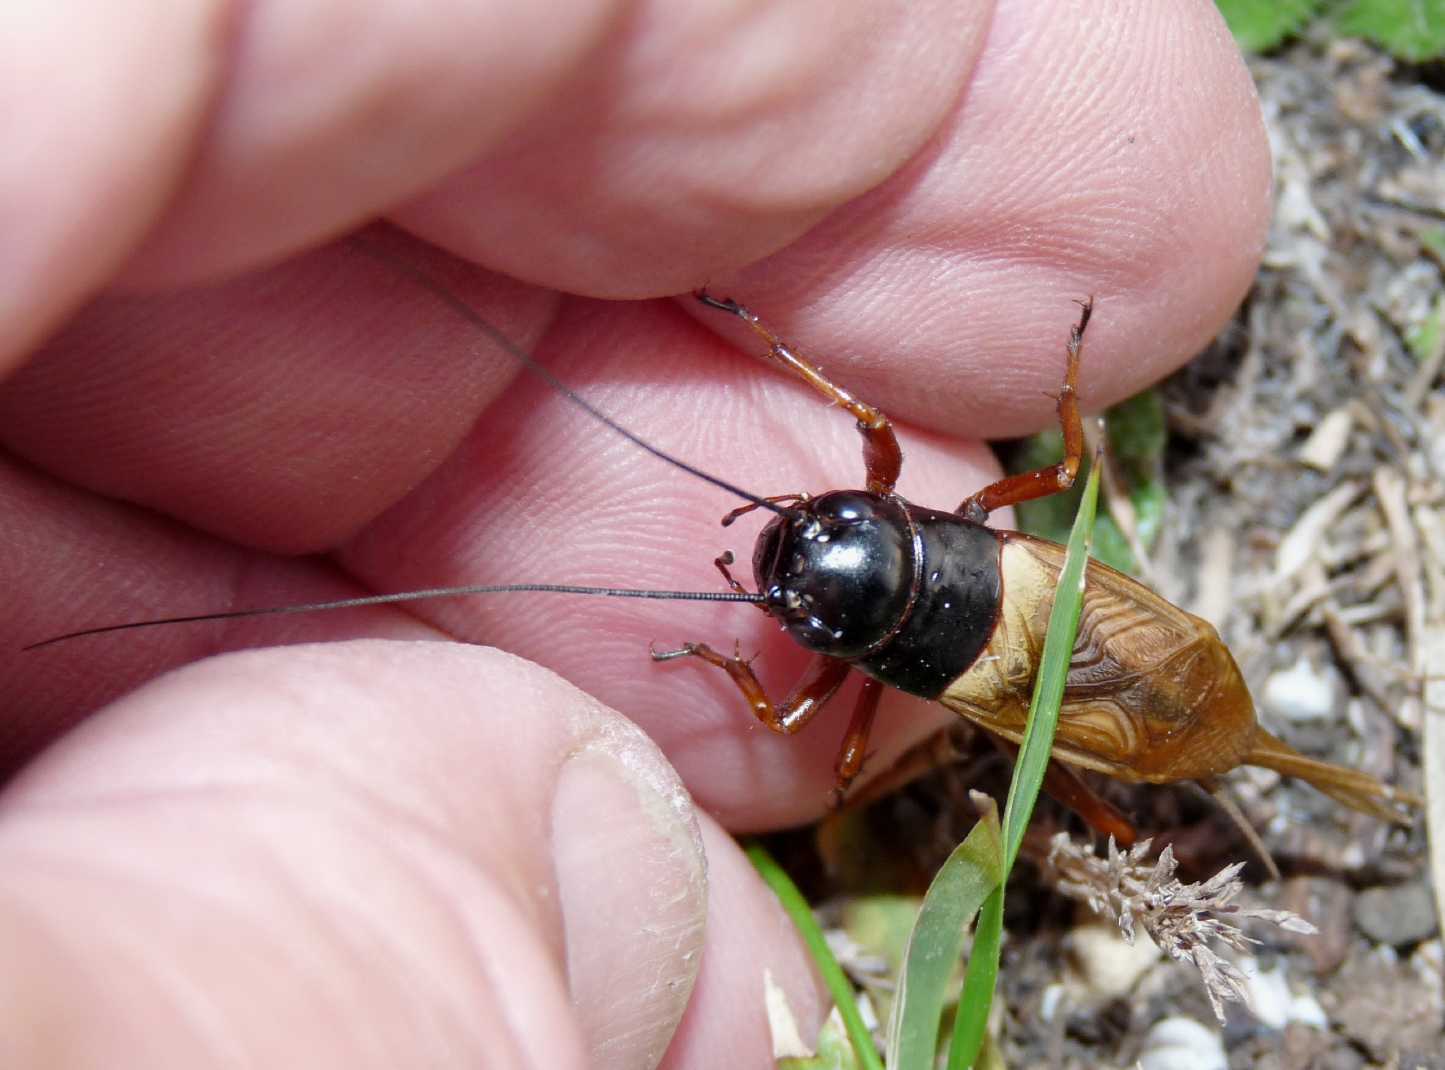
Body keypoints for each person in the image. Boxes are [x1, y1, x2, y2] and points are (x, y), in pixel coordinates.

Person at [0, 2, 1270, 1066]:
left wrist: (733, 667)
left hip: (1017, 645)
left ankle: (1249, 752)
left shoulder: (891, 594)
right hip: (1019, 628)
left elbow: (788, 724)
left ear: (911, 514)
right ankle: (1252, 756)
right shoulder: (956, 515)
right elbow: (1027, 477)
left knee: (1067, 741)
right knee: (1089, 734)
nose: (786, 528)